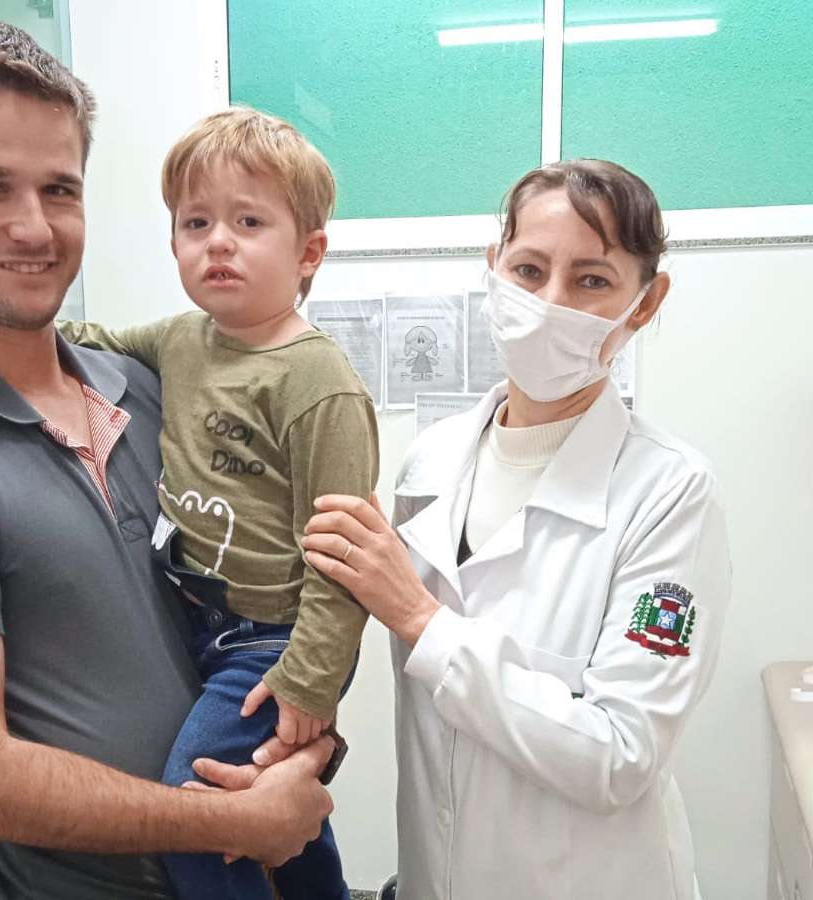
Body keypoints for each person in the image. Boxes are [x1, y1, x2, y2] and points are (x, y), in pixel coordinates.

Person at [0, 19, 338, 900]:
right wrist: (230, 822)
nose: (34, 227)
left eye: (59, 189)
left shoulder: (146, 387)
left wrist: (298, 741)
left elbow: (250, 604)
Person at [301, 159, 732, 900]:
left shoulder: (669, 492)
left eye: (591, 280)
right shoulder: (430, 463)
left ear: (646, 302)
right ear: (493, 270)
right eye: (528, 270)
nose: (549, 303)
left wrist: (420, 619)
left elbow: (621, 755)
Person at [58, 107, 377, 900]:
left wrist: (310, 680)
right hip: (199, 627)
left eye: (248, 222)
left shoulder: (317, 382)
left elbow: (344, 558)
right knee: (275, 812)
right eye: (195, 223)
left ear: (308, 253)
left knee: (201, 815)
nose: (218, 242)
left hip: (277, 643)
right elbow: (87, 342)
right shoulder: (179, 340)